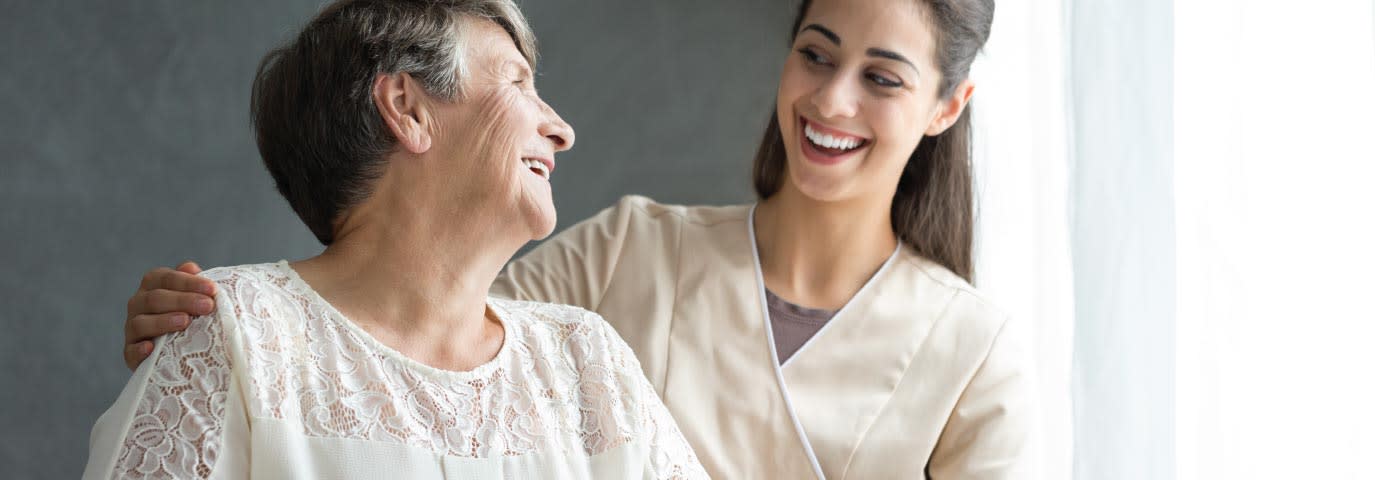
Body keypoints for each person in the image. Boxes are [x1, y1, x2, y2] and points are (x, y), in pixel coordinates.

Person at [121, 0, 1034, 477]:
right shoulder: (632, 255)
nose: (832, 101)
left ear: (949, 105)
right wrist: (230, 331)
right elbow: (411, 316)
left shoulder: (972, 349)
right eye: (816, 53)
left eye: (883, 77)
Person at [85, 1, 707, 478]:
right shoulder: (235, 336)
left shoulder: (586, 360)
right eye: (517, 83)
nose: (562, 129)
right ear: (407, 107)